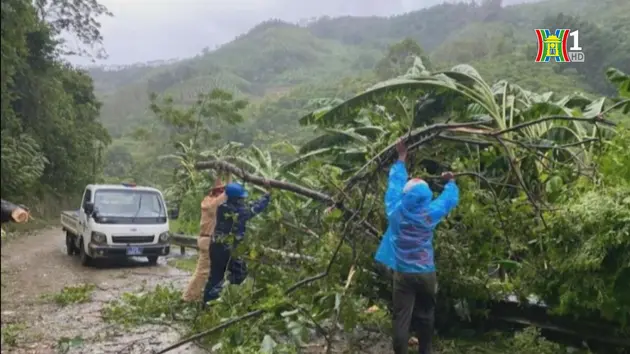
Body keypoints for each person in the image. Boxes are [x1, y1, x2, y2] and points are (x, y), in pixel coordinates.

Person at [375, 139, 459, 354]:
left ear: (406, 195)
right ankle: (426, 351)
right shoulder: (429, 214)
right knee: (426, 314)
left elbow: (394, 184)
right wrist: (450, 182)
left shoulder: (395, 211)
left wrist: (401, 158)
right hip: (426, 273)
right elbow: (448, 200)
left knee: (401, 318)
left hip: (403, 274)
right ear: (425, 197)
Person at [202, 179, 272, 305]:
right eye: (241, 198)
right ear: (236, 199)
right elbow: (255, 208)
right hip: (228, 248)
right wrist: (267, 195)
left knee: (215, 276)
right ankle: (219, 292)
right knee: (239, 273)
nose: (243, 200)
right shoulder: (240, 212)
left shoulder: (222, 207)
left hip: (216, 245)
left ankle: (206, 304)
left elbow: (249, 205)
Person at [182, 175, 230, 302]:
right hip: (207, 240)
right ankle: (189, 297)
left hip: (209, 240)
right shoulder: (210, 203)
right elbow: (221, 200)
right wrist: (228, 189)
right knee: (202, 271)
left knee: (208, 272)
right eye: (221, 190)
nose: (222, 193)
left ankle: (198, 296)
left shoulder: (212, 202)